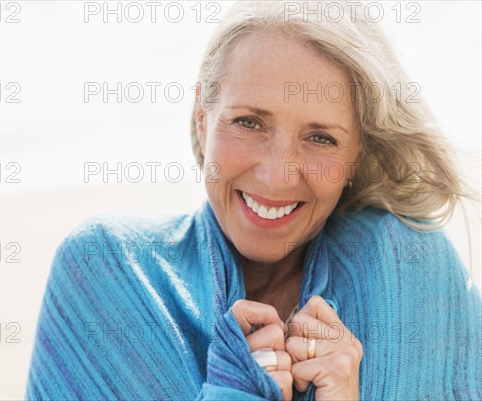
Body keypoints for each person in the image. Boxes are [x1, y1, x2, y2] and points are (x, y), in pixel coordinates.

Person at [25, 1, 482, 400]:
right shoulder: (108, 269)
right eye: (249, 123)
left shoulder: (410, 271)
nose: (278, 175)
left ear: (356, 157)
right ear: (204, 119)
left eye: (320, 138)